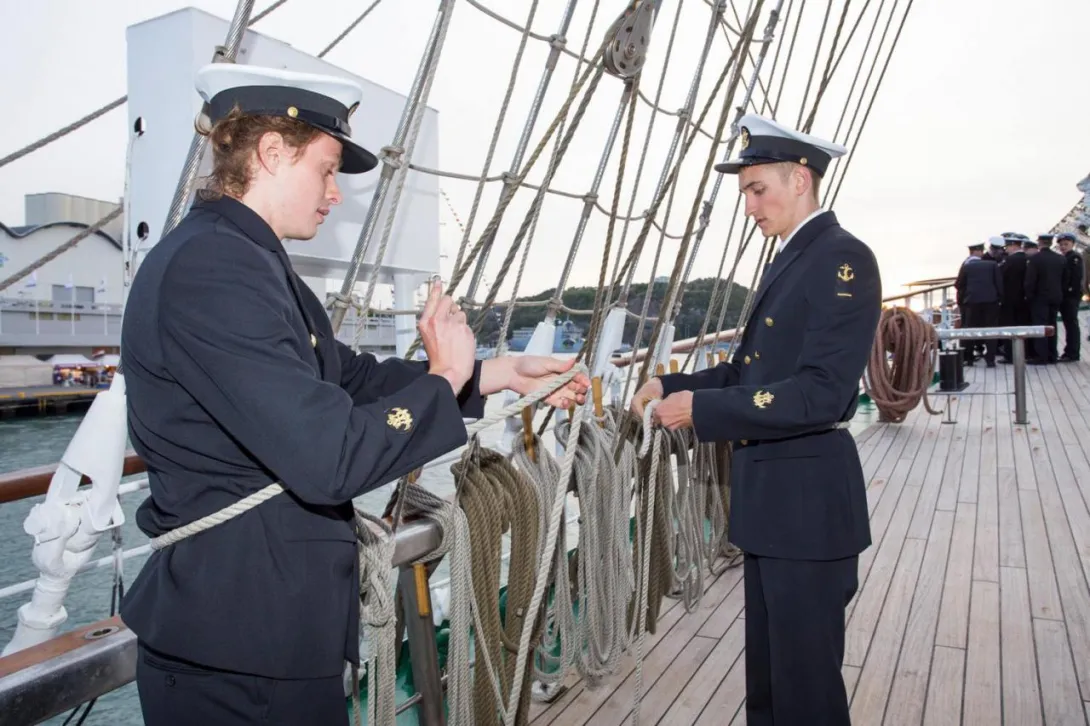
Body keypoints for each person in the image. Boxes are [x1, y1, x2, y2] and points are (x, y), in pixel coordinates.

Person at [119, 63, 589, 725]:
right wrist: (443, 377)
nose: (335, 194)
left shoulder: (247, 260)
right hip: (240, 651)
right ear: (271, 153)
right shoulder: (213, 268)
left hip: (267, 632)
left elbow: (353, 380)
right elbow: (328, 457)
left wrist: (497, 372)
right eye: (327, 169)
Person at [630, 113, 880, 726]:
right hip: (775, 507)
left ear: (800, 180)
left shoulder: (841, 258)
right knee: (769, 685)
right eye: (745, 193)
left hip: (808, 508)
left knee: (806, 693)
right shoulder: (795, 258)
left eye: (757, 190)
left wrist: (703, 410)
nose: (749, 208)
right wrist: (672, 385)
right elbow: (751, 373)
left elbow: (822, 393)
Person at [954, 239, 1003, 367]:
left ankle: (968, 358)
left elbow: (958, 284)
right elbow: (999, 284)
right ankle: (990, 359)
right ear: (980, 251)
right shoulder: (992, 265)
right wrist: (998, 298)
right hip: (991, 302)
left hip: (971, 302)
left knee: (970, 329)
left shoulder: (967, 266)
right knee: (991, 329)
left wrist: (964, 299)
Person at [1025, 233, 1066, 364]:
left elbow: (1030, 280)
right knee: (1052, 325)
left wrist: (1029, 295)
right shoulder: (1060, 259)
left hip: (1040, 297)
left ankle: (1041, 356)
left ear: (1039, 243)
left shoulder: (1035, 259)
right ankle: (1052, 355)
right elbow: (1065, 279)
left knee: (1040, 326)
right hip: (1056, 296)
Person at [997, 233, 1029, 363]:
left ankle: (1010, 355)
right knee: (1023, 326)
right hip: (1024, 299)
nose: (1006, 250)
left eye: (1007, 247)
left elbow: (1000, 276)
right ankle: (1025, 353)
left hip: (1009, 299)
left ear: (1014, 246)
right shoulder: (1028, 259)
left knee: (1009, 327)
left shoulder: (1010, 260)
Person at [1056, 231, 1083, 361]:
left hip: (1071, 296)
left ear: (1072, 244)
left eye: (1066, 244)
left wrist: (1068, 291)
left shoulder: (1074, 258)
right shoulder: (1064, 257)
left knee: (1071, 324)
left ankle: (1072, 353)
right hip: (1065, 295)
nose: (1063, 247)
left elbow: (1076, 279)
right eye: (1061, 244)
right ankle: (1069, 351)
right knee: (1068, 324)